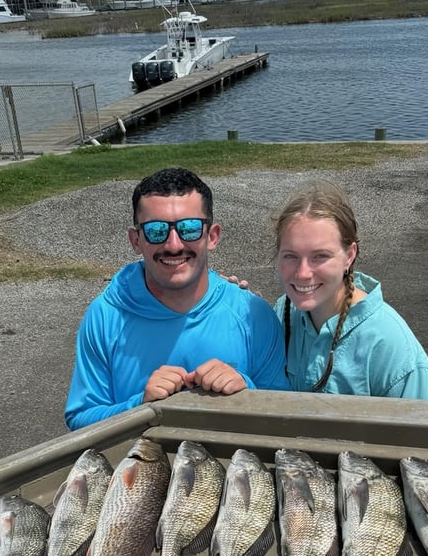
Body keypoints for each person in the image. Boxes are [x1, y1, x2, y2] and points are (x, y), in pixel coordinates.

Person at [64, 167, 289, 430]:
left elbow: (283, 415)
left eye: (189, 228)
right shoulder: (105, 316)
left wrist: (245, 388)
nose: (173, 244)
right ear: (136, 240)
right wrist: (140, 406)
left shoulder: (253, 314)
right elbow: (80, 421)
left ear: (212, 236)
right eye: (156, 230)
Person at [274, 182, 428, 399]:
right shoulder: (282, 312)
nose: (302, 273)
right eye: (290, 256)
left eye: (320, 256)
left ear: (349, 255)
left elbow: (414, 432)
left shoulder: (392, 347)